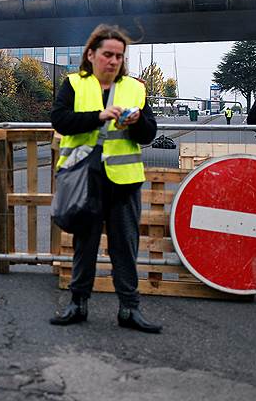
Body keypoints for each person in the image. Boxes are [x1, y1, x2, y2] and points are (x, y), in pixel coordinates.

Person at [50, 24, 161, 334]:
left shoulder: (135, 89)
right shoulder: (74, 84)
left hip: (123, 182)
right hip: (84, 178)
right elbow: (60, 120)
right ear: (91, 54)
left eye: (119, 56)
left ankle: (129, 308)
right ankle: (78, 304)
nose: (113, 61)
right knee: (84, 244)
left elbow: (149, 135)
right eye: (107, 54)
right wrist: (98, 116)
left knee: (124, 246)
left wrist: (138, 121)